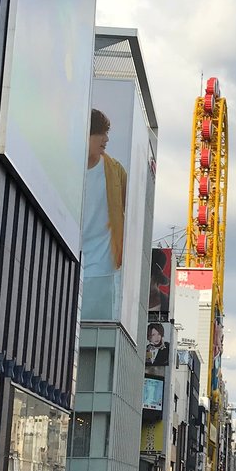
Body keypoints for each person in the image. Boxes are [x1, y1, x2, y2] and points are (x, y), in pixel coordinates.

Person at [80, 108, 127, 319]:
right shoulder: (64, 165)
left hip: (102, 268)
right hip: (66, 260)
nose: (106, 139)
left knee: (95, 331)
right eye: (101, 133)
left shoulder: (116, 171)